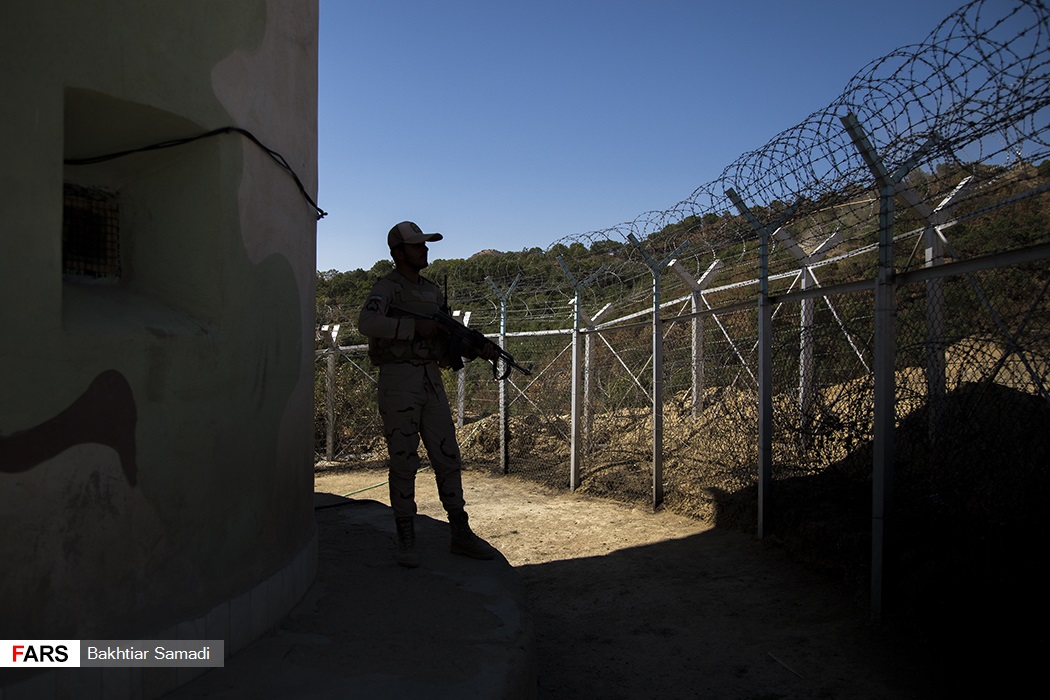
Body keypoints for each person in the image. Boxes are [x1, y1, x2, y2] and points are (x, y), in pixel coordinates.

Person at [357, 221, 500, 568]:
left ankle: (460, 532)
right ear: (398, 252)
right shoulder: (386, 287)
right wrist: (411, 328)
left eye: (424, 245)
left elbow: (441, 337)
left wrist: (474, 347)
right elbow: (366, 323)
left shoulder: (433, 292)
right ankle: (406, 536)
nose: (424, 250)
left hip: (430, 380)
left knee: (447, 455)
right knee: (404, 460)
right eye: (417, 245)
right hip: (399, 380)